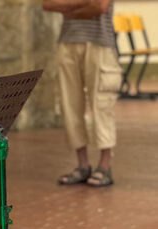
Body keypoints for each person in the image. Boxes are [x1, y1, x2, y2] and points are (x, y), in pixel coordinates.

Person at [43, 0, 119, 187]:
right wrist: (85, 4)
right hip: (67, 42)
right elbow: (48, 4)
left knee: (101, 104)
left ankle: (104, 166)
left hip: (99, 43)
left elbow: (100, 6)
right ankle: (82, 165)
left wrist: (69, 8)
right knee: (70, 105)